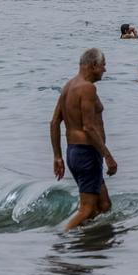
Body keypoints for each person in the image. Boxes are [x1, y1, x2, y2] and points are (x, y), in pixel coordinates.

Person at [50, 48, 117, 231]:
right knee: (87, 209)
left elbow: (54, 122)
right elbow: (88, 127)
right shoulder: (87, 88)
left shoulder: (68, 86)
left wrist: (57, 156)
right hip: (86, 153)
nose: (105, 70)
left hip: (74, 152)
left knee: (104, 205)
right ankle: (61, 238)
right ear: (93, 65)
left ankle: (90, 241)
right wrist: (108, 156)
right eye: (103, 65)